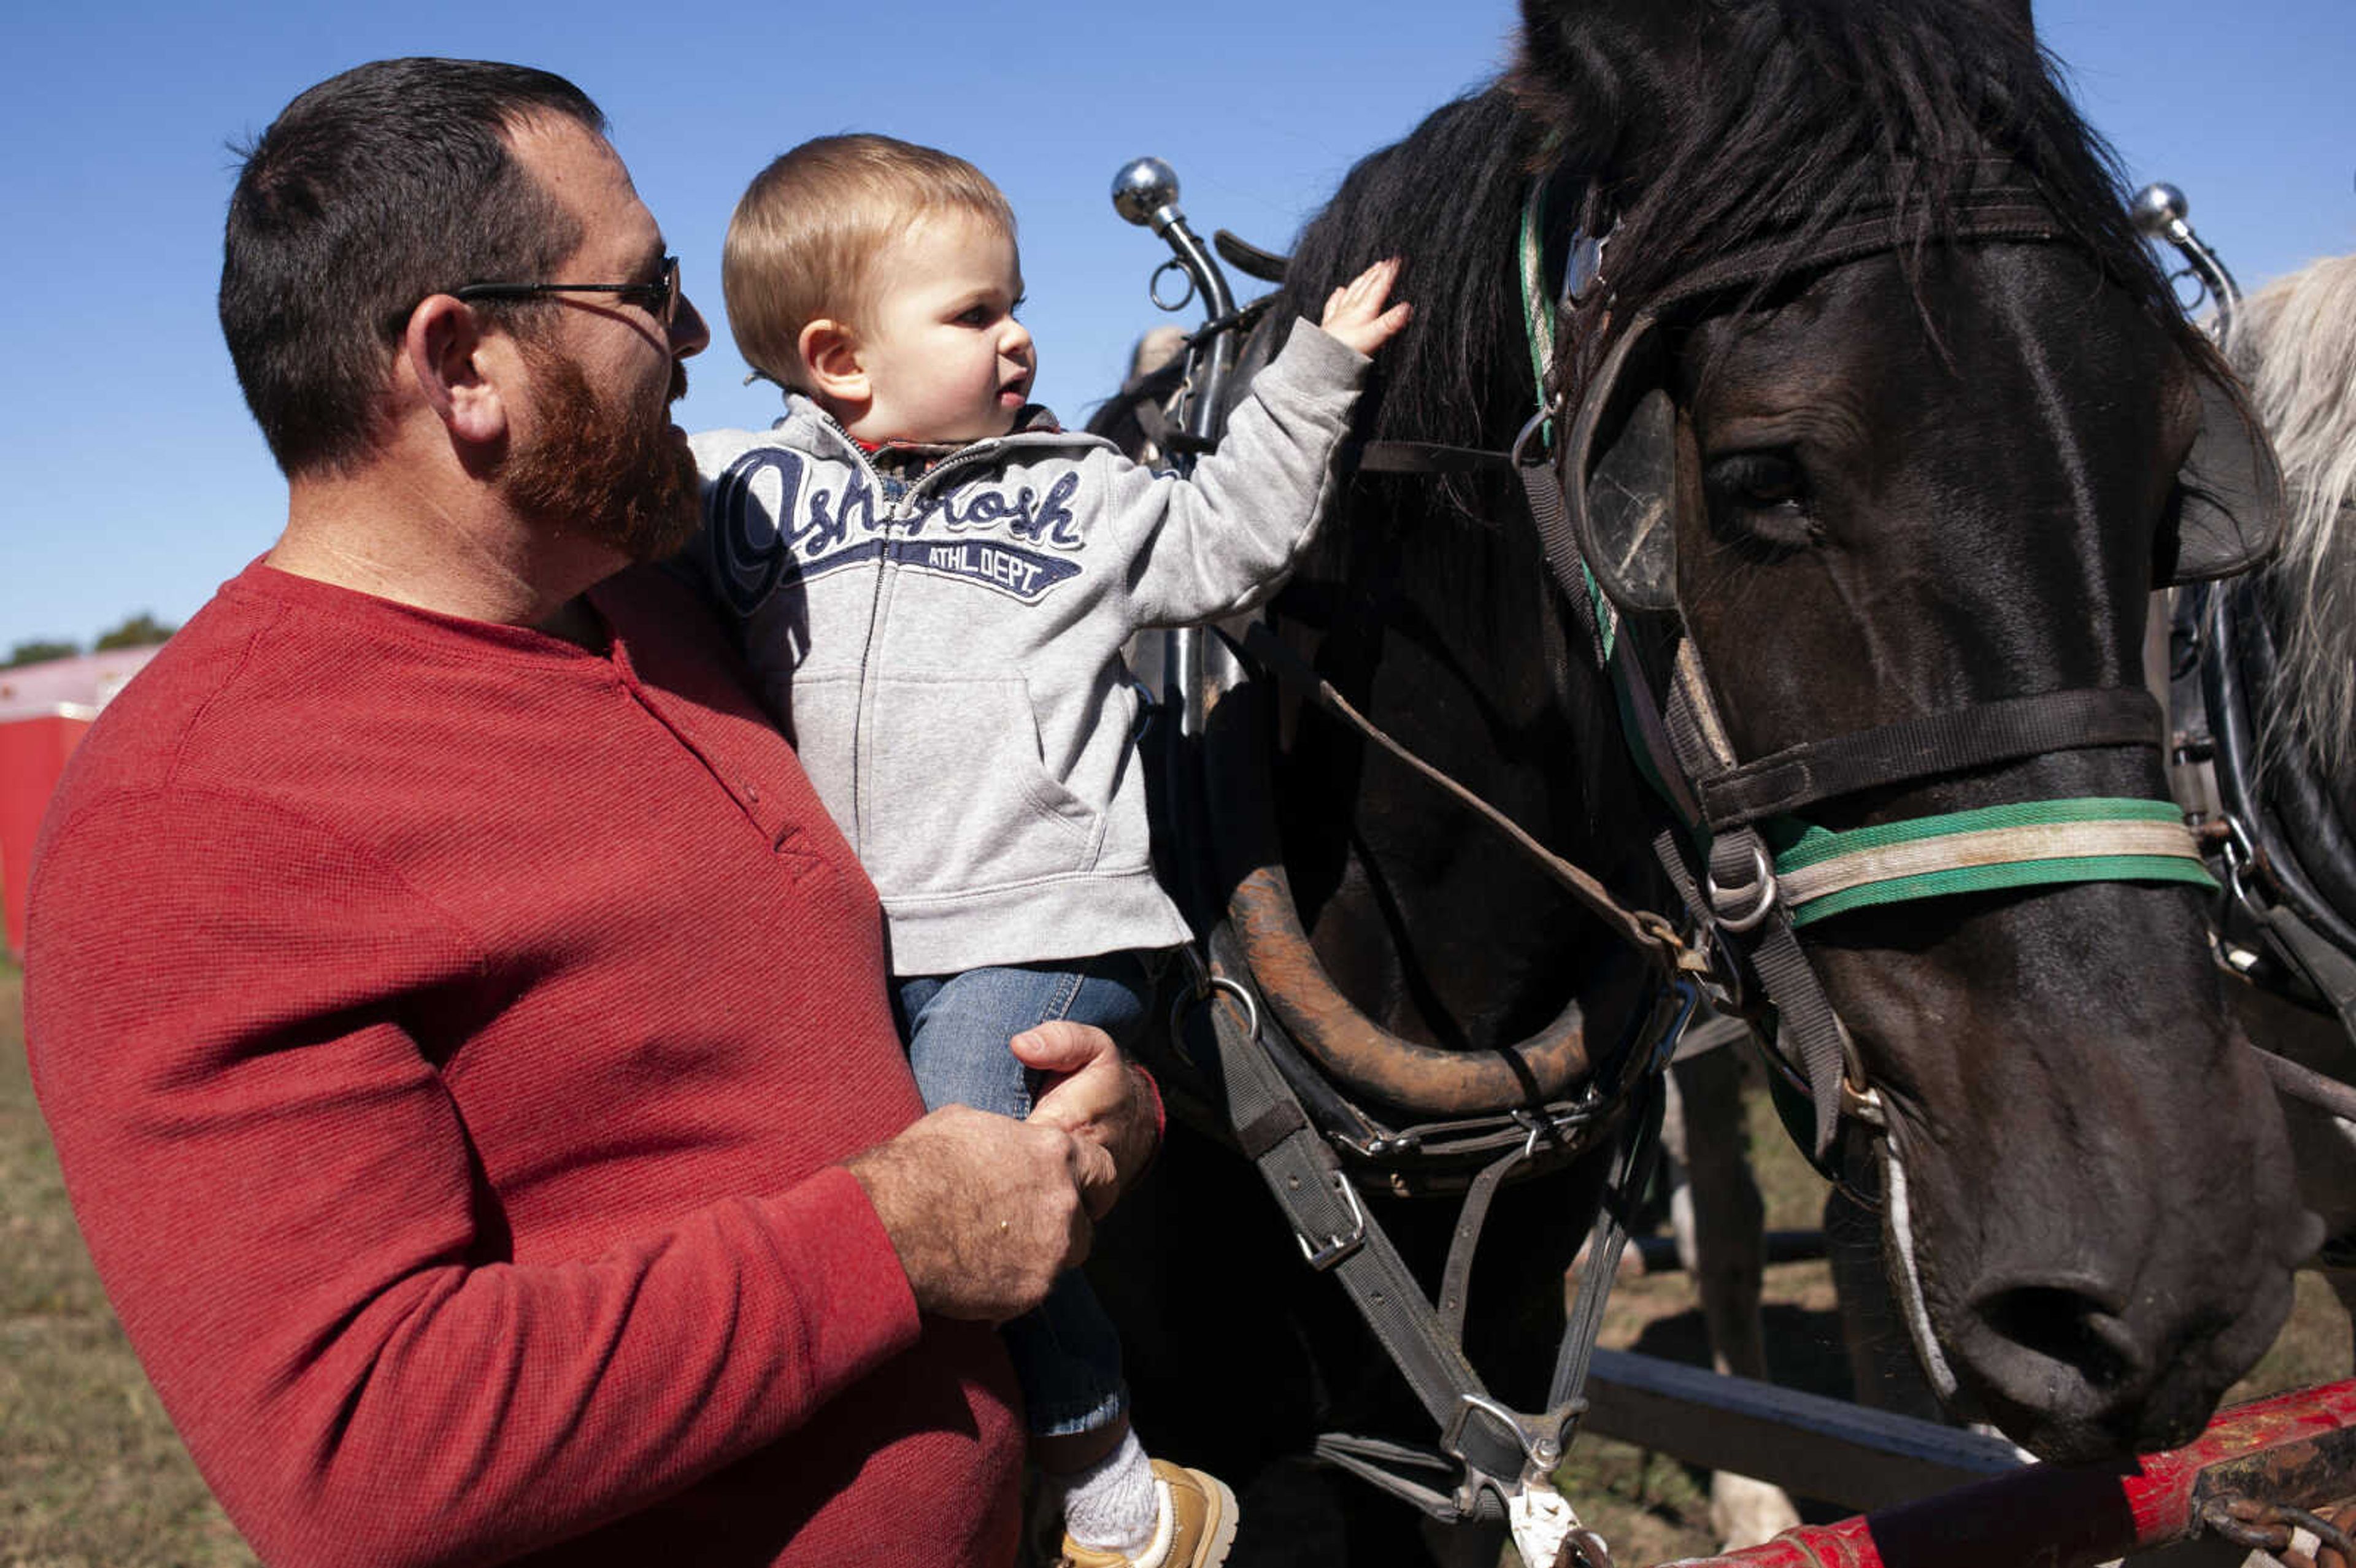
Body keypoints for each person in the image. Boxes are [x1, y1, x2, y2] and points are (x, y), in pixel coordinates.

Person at [22, 59, 1158, 1568]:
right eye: (647, 289)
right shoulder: (195, 813)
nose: (696, 337)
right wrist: (895, 1237)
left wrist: (1095, 1131)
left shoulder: (681, 610)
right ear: (463, 363)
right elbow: (365, 1452)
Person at [690, 134, 1409, 1568]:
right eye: (972, 314)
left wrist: (1314, 374)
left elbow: (1228, 542)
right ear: (836, 359)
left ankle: (1105, 1480)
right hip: (854, 951)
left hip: (1046, 931)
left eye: (1014, 301)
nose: (1020, 335)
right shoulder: (746, 499)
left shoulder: (1080, 494)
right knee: (868, 1205)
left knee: (969, 1173)